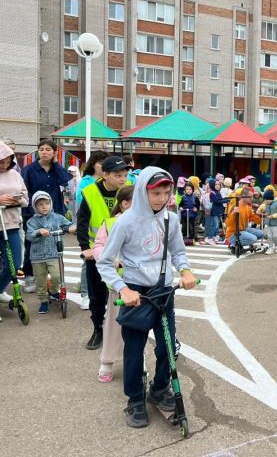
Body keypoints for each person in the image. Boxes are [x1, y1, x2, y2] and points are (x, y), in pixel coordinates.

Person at [96, 167, 197, 428]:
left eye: (167, 192)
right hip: (135, 294)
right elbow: (105, 263)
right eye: (156, 193)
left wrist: (185, 271)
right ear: (143, 190)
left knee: (168, 347)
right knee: (134, 350)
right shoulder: (125, 222)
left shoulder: (171, 219)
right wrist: (123, 288)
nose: (162, 198)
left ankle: (159, 388)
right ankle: (135, 399)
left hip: (164, 293)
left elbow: (178, 252)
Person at [77, 156, 131, 350]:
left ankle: (126, 331)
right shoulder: (90, 192)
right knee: (97, 294)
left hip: (125, 252)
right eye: (118, 175)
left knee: (126, 291)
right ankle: (98, 328)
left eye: (125, 175)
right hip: (98, 252)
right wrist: (85, 248)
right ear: (105, 175)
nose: (123, 179)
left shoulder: (130, 190)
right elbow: (82, 222)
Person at [92, 184, 134, 383]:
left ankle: (136, 361)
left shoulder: (147, 221)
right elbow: (98, 247)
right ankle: (107, 361)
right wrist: (112, 259)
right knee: (113, 324)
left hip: (142, 283)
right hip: (117, 284)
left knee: (138, 326)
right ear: (124, 204)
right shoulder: (109, 223)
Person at [20, 139, 73, 292]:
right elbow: (25, 191)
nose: (44, 152)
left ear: (55, 152)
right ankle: (30, 276)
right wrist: (30, 212)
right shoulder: (29, 169)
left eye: (48, 149)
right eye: (41, 149)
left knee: (55, 243)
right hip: (33, 214)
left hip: (55, 212)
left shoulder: (57, 169)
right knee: (32, 244)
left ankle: (53, 276)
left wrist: (56, 164)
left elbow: (65, 181)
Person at [25, 191, 76, 314]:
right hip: (38, 256)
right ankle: (43, 301)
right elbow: (29, 236)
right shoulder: (32, 221)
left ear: (51, 204)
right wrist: (38, 232)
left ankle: (53, 291)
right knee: (40, 280)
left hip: (54, 253)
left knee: (57, 275)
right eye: (40, 204)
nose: (44, 206)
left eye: (46, 203)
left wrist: (71, 228)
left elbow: (68, 225)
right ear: (35, 206)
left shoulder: (57, 217)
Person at [75, 150, 110, 309]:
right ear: (93, 164)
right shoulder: (86, 181)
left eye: (105, 162)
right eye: (99, 162)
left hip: (110, 234)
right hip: (92, 235)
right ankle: (85, 294)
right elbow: (81, 199)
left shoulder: (110, 180)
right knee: (87, 265)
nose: (102, 165)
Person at [0, 142, 28, 303]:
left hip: (10, 224)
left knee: (15, 263)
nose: (4, 165)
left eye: (7, 161)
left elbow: (25, 198)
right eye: (1, 161)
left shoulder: (15, 174)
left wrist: (17, 201)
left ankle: (0, 289)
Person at [258, 188, 277, 254]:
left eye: (267, 199)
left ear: (271, 198)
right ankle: (270, 247)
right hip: (268, 224)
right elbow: (260, 209)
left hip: (276, 224)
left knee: (275, 236)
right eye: (265, 199)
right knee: (269, 236)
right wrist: (259, 212)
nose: (265, 201)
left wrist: (272, 216)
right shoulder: (265, 204)